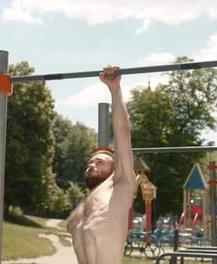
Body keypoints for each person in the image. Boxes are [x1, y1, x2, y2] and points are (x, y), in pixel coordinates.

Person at [66, 65, 137, 264]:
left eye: (100, 162)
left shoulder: (121, 185)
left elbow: (122, 133)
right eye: (89, 162)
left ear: (115, 168)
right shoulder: (84, 208)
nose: (91, 165)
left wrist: (115, 90)